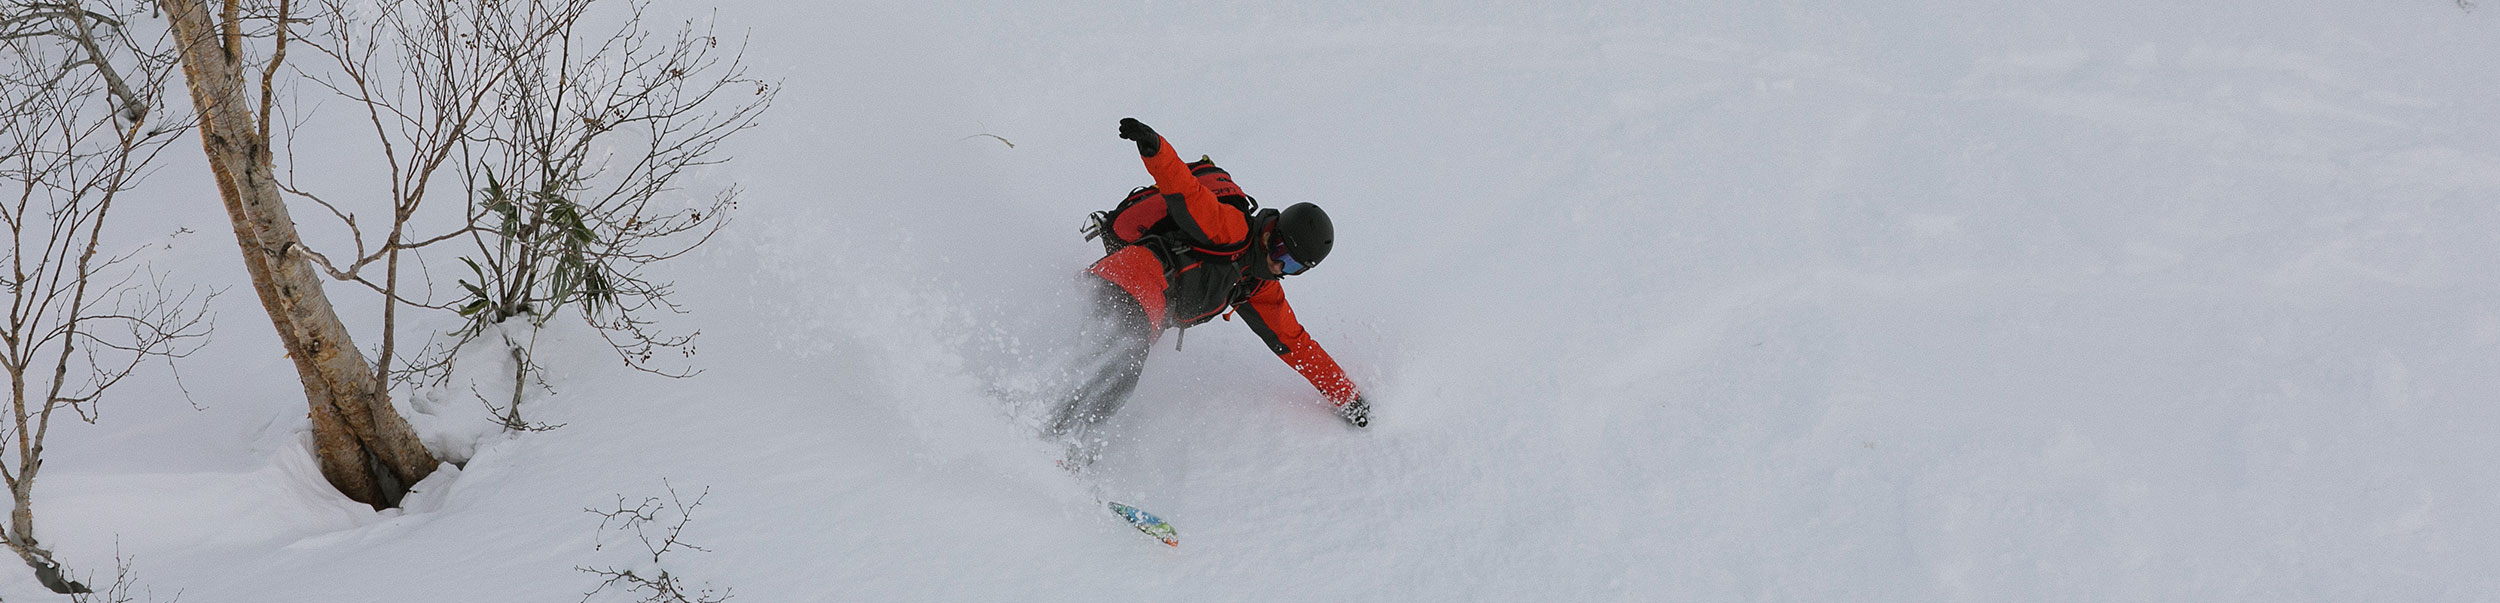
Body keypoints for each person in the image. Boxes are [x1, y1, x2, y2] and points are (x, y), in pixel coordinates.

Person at [1047, 117, 1367, 462]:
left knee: (1101, 365)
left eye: (1292, 265)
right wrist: (1155, 147)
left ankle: (1045, 433)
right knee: (1117, 371)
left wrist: (1347, 397)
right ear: (1271, 232)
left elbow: (1296, 344)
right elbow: (1185, 190)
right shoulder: (1231, 229)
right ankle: (1054, 446)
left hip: (1133, 294)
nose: (1279, 265)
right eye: (1280, 251)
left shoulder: (1258, 287)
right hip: (1130, 280)